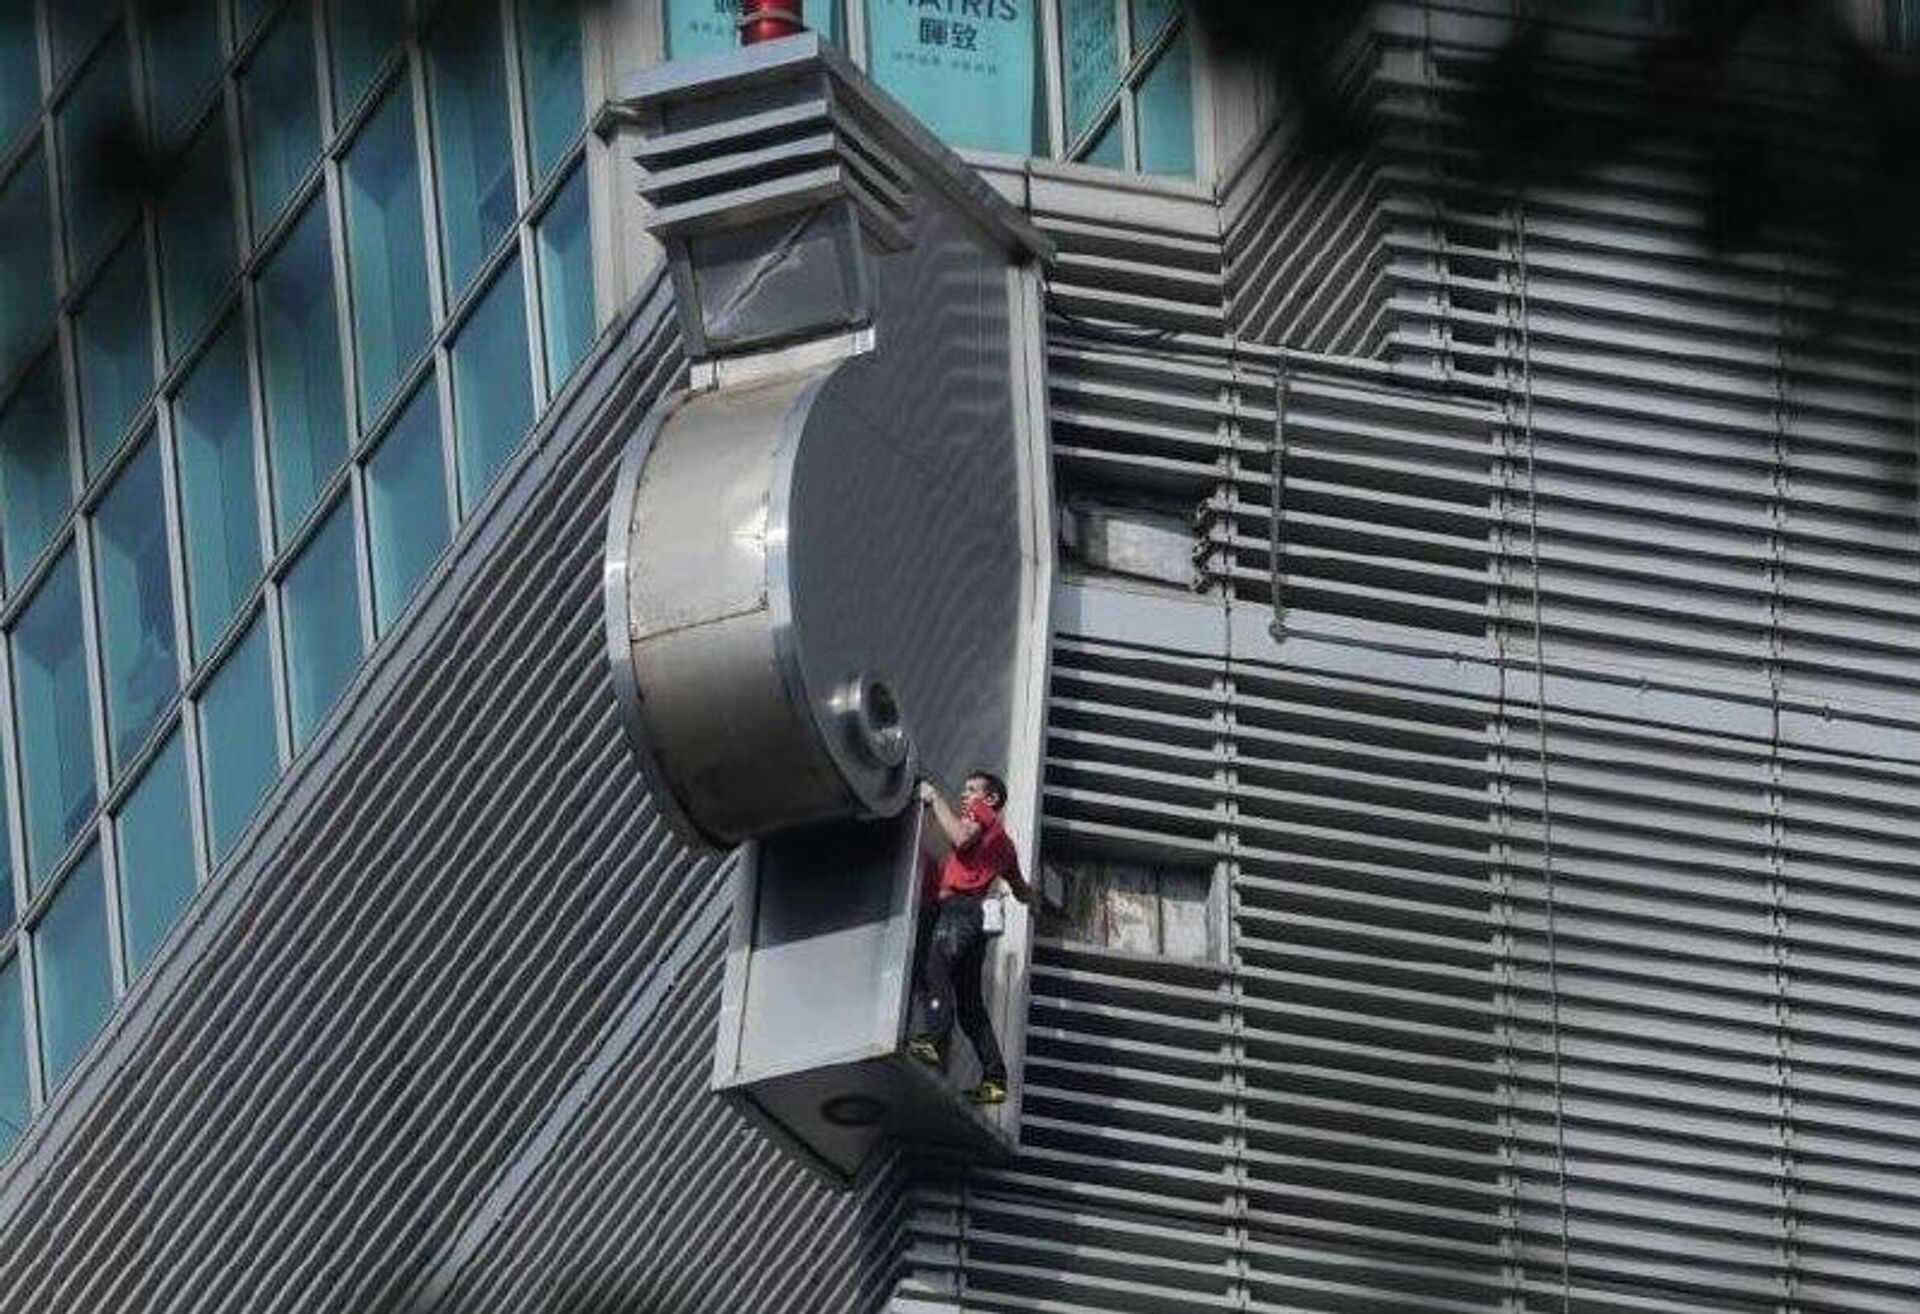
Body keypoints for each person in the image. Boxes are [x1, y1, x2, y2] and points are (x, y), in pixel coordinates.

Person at [908, 770, 1033, 1106]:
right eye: (963, 791)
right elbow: (1021, 891)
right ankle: (995, 1080)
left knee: (936, 971)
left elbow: (960, 839)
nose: (965, 796)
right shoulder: (1005, 846)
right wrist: (1037, 904)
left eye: (972, 790)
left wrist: (934, 799)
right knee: (970, 1005)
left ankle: (934, 1040)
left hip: (958, 913)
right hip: (975, 919)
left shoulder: (981, 814)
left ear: (990, 799)